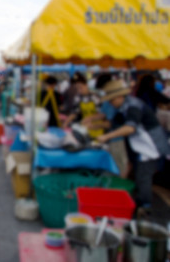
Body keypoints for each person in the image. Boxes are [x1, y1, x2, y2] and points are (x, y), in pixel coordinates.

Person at [96, 80, 170, 213]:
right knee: (136, 172)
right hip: (137, 146)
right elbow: (113, 124)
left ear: (119, 97)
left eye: (111, 100)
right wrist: (94, 124)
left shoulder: (133, 106)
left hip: (150, 147)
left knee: (143, 177)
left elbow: (129, 128)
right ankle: (137, 202)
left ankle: (145, 207)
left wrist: (106, 137)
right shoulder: (122, 107)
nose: (110, 103)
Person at [63, 73, 103, 138]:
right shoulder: (78, 98)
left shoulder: (95, 96)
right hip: (85, 127)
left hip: (98, 126)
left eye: (81, 87)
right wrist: (66, 122)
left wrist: (91, 119)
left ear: (86, 85)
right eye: (77, 88)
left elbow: (102, 113)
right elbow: (75, 112)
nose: (79, 90)